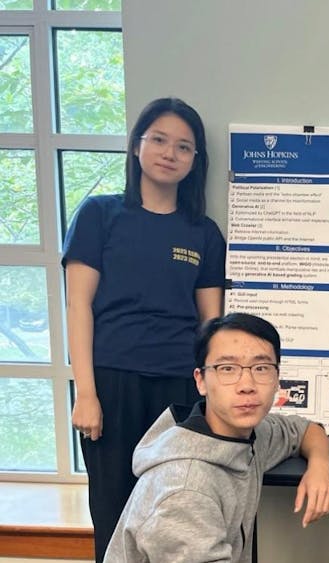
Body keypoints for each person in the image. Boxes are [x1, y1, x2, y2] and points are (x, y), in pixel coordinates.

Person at [63, 97, 226, 562]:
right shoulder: (99, 215)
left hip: (179, 388)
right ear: (137, 145)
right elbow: (78, 306)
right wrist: (86, 393)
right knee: (114, 512)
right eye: (158, 140)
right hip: (113, 385)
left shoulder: (203, 233)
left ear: (195, 160)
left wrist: (211, 400)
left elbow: (210, 326)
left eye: (183, 146)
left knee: (176, 511)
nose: (169, 153)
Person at [104, 313, 329, 562]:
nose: (246, 385)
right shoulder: (186, 491)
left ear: (277, 379)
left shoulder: (249, 435)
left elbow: (305, 430)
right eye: (227, 369)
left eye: (261, 368)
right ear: (201, 381)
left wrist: (320, 466)